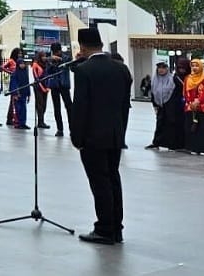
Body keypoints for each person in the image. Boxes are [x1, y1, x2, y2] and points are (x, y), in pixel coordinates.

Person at [70, 27, 132, 245]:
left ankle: (104, 229)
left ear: (83, 47)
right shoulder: (121, 69)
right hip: (115, 135)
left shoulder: (85, 71)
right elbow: (126, 105)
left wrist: (77, 138)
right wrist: (120, 131)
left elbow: (80, 107)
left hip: (92, 137)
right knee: (113, 179)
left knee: (100, 183)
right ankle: (117, 227)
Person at [145, 60, 184, 151]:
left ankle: (173, 144)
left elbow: (182, 89)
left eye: (163, 68)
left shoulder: (173, 78)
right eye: (159, 68)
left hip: (172, 106)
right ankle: (157, 142)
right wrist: (155, 105)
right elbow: (153, 93)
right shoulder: (154, 80)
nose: (161, 70)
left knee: (171, 124)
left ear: (167, 69)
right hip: (160, 105)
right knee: (160, 123)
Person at [182, 58, 204, 155]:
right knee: (191, 127)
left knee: (203, 128)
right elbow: (185, 92)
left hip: (203, 107)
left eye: (197, 66)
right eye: (193, 66)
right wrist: (191, 102)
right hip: (190, 107)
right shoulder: (188, 78)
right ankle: (193, 147)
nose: (195, 68)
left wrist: (198, 101)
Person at [45, 42, 73, 136]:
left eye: (57, 52)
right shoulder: (51, 59)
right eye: (54, 52)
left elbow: (70, 64)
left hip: (64, 85)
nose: (56, 54)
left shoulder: (66, 58)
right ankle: (59, 129)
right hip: (55, 86)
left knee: (69, 107)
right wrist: (51, 62)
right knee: (57, 108)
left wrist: (60, 60)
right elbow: (47, 71)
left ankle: (72, 129)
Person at [31, 50, 51, 130]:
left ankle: (42, 120)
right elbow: (36, 78)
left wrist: (47, 88)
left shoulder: (46, 64)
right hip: (38, 87)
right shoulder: (35, 65)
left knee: (44, 105)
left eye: (45, 56)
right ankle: (40, 121)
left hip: (45, 87)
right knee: (40, 104)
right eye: (42, 56)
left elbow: (49, 76)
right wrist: (42, 88)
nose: (44, 58)